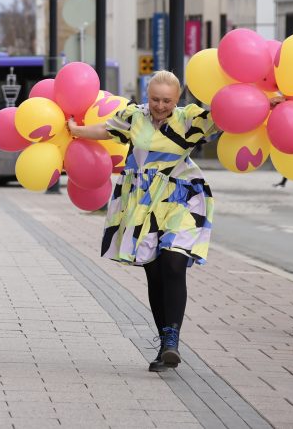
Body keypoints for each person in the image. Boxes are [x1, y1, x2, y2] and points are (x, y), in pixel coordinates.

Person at [69, 70, 265, 371]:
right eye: (155, 99)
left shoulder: (190, 119)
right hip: (142, 200)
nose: (161, 106)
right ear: (148, 95)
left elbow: (233, 113)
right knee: (154, 271)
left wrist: (267, 101)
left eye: (167, 101)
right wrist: (77, 130)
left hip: (180, 197)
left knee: (174, 263)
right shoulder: (134, 116)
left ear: (178, 99)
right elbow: (108, 130)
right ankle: (163, 344)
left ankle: (172, 339)